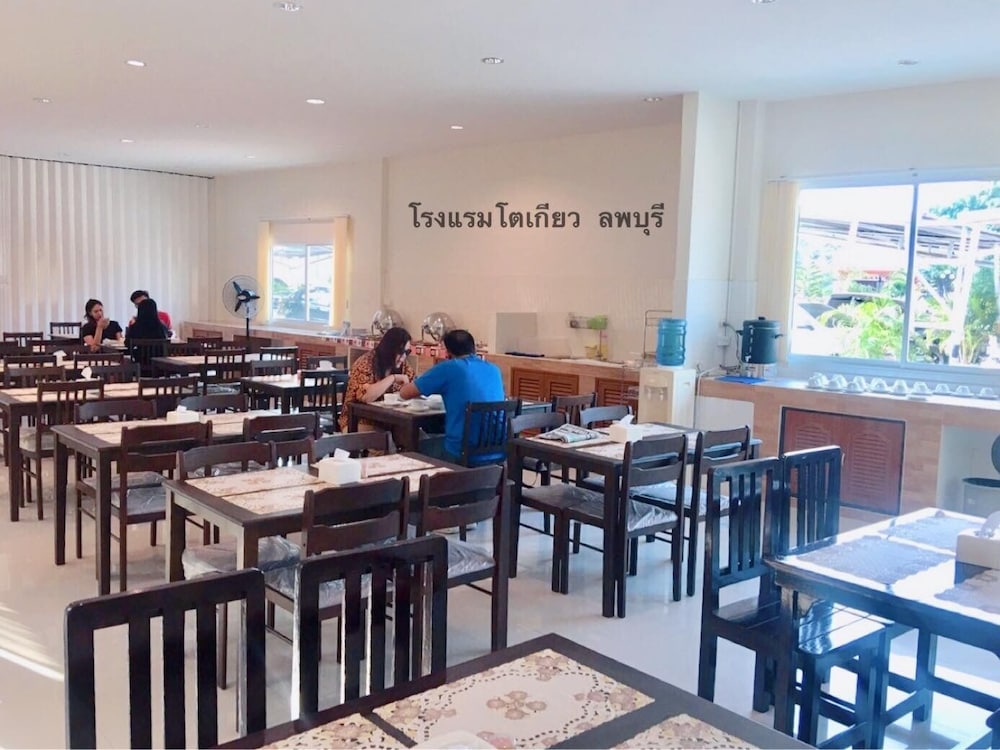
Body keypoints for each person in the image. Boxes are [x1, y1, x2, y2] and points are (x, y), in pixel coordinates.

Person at [400, 329, 504, 465]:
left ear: (448, 352)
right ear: (474, 348)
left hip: (460, 452)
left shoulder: (448, 368)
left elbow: (405, 393)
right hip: (497, 451)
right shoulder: (494, 369)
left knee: (411, 445)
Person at [338, 326, 416, 432]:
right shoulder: (365, 363)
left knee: (417, 436)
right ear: (389, 349)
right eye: (400, 352)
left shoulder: (404, 366)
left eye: (407, 352)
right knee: (390, 438)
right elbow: (367, 397)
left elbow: (412, 387)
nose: (403, 357)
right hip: (358, 421)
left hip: (391, 422)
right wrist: (392, 378)